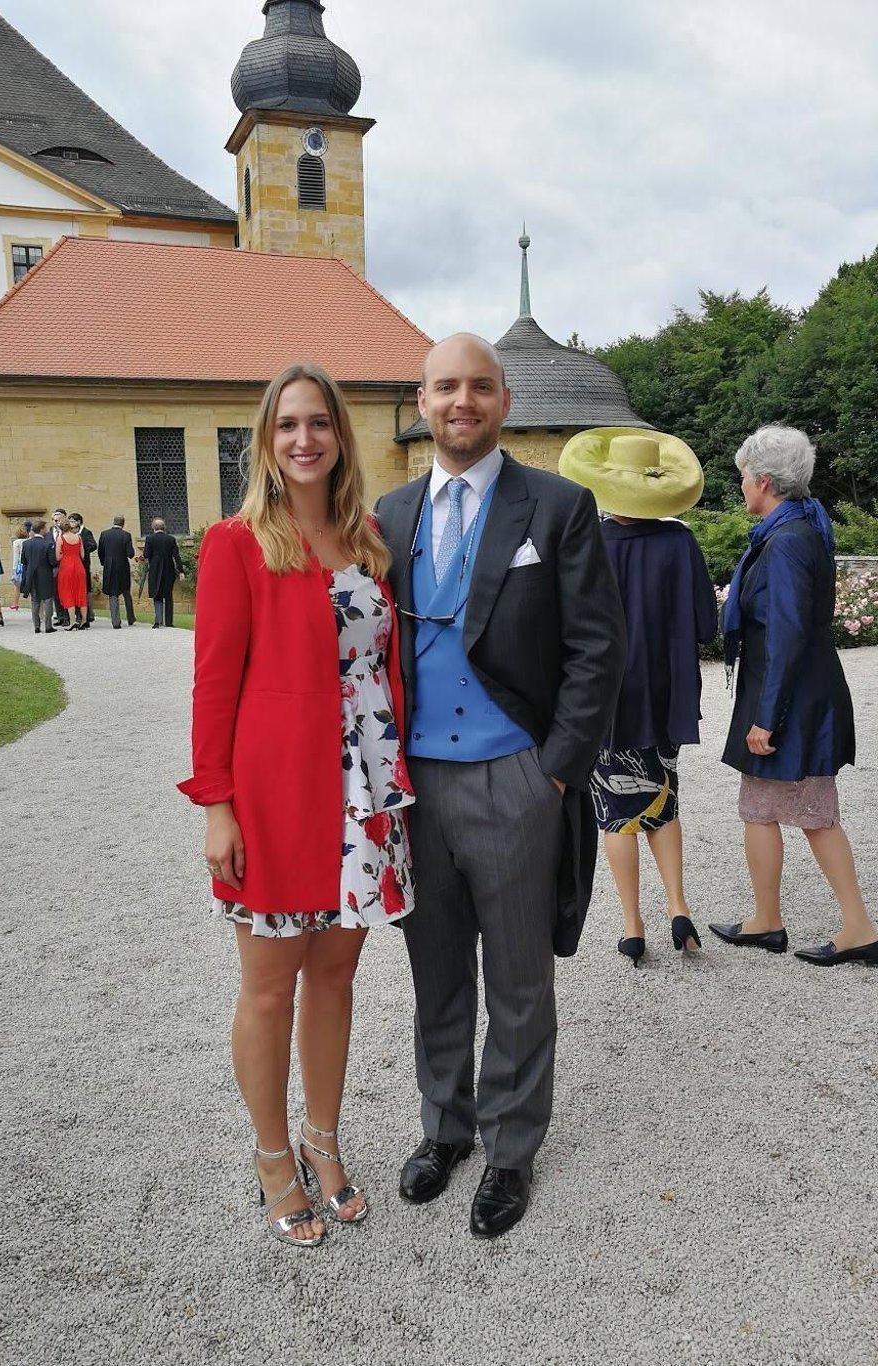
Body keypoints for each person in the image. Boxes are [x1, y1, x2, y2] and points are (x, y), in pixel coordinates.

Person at [374, 333, 626, 1239]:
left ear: (504, 400)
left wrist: (554, 773)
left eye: (479, 387)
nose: (462, 402)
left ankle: (512, 1148)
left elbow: (599, 650)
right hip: (416, 786)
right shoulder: (391, 514)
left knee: (519, 979)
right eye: (446, 387)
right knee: (434, 970)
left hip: (515, 777)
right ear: (423, 400)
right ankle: (447, 1127)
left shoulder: (557, 507)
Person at [178, 362, 414, 1248]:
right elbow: (213, 687)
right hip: (276, 791)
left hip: (367, 792)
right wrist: (217, 806)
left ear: (339, 437)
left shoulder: (371, 539)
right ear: (266, 442)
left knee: (338, 976)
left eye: (319, 423)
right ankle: (273, 1157)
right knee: (270, 988)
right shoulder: (237, 542)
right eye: (288, 426)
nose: (305, 439)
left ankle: (323, 1138)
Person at [708, 425, 878, 966]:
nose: (739, 488)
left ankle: (856, 927)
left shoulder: (785, 543)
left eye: (741, 479)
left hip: (792, 700)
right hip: (795, 694)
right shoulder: (803, 528)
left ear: (763, 481)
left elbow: (786, 635)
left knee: (812, 814)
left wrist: (768, 718)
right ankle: (770, 920)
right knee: (766, 809)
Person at [559, 428, 719, 966]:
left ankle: (632, 925)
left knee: (615, 812)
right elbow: (704, 625)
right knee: (663, 797)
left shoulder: (589, 542)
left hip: (607, 697)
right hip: (665, 694)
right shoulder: (681, 541)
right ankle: (679, 907)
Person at [143, 518, 184, 627]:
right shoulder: (170, 539)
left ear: (153, 527)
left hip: (155, 569)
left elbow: (146, 554)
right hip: (168, 570)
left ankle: (158, 620)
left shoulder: (150, 539)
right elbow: (176, 556)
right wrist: (181, 571)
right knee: (168, 595)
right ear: (164, 527)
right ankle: (169, 622)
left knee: (157, 594)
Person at [97, 515, 136, 628]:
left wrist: (104, 562)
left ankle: (115, 621)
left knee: (113, 593)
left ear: (113, 522)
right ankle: (130, 618)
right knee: (126, 592)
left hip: (109, 566)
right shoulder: (126, 535)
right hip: (122, 566)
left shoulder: (104, 534)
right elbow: (130, 554)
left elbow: (100, 551)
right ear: (123, 524)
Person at [20, 520, 56, 633]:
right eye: (45, 528)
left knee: (35, 601)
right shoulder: (48, 544)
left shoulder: (26, 544)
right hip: (45, 574)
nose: (46, 530)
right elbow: (52, 562)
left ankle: (36, 626)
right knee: (48, 600)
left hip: (31, 574)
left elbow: (23, 561)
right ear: (41, 529)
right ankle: (48, 626)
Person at [54, 514, 89, 630]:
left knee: (68, 592)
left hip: (66, 567)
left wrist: (65, 554)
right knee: (81, 592)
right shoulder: (78, 537)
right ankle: (84, 620)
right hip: (79, 566)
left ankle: (72, 621)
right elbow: (83, 555)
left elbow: (57, 557)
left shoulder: (61, 538)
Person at [71, 512, 98, 625]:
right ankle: (79, 615)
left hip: (84, 564)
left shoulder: (86, 533)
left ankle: (88, 615)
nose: (70, 523)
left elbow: (93, 545)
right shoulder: (70, 533)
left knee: (86, 590)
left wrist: (83, 550)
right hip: (74, 564)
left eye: (72, 521)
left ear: (78, 522)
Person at [8, 521, 32, 610]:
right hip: (29, 564)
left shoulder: (17, 542)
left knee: (16, 585)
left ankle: (15, 603)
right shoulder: (29, 541)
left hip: (19, 565)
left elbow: (16, 556)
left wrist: (14, 569)